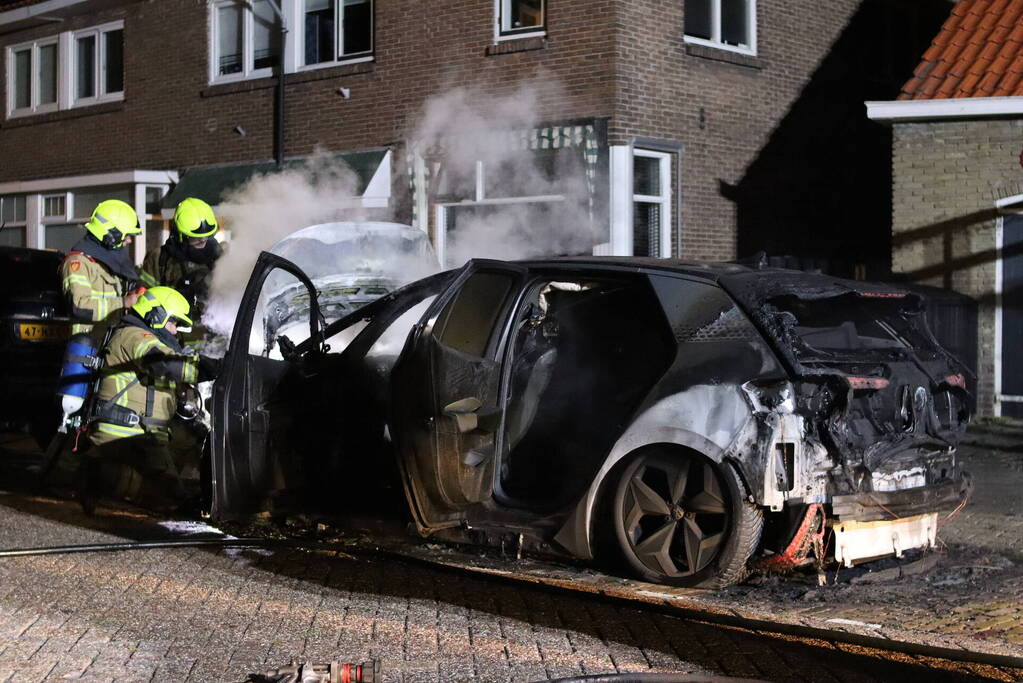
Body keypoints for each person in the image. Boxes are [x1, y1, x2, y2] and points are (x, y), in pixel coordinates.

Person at [80, 286, 219, 514]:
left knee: (195, 441)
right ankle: (101, 476)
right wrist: (215, 368)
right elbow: (162, 363)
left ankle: (128, 476)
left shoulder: (140, 334)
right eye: (173, 323)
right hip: (127, 434)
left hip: (146, 430)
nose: (175, 331)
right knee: (174, 499)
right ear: (156, 314)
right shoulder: (134, 336)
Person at [60, 199, 143, 342]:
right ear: (111, 233)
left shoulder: (108, 261)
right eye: (127, 235)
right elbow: (79, 306)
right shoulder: (78, 263)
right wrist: (123, 303)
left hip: (110, 340)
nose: (129, 240)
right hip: (88, 344)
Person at [139, 197, 222, 317]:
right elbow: (145, 297)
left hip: (214, 326)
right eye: (195, 237)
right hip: (172, 326)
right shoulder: (159, 258)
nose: (203, 240)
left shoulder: (221, 257)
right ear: (179, 234)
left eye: (207, 235)